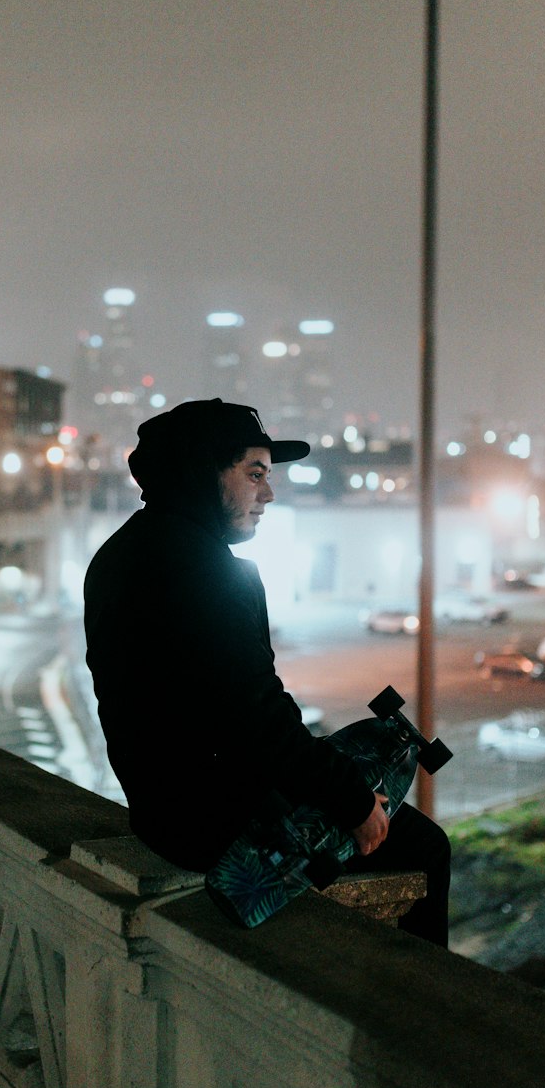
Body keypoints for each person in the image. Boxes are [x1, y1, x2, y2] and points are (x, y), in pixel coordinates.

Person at [83, 398, 450, 945]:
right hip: (218, 828)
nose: (269, 494)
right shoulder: (208, 571)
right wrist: (352, 802)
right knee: (424, 847)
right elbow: (259, 719)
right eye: (254, 473)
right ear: (199, 474)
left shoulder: (119, 553)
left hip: (160, 814)